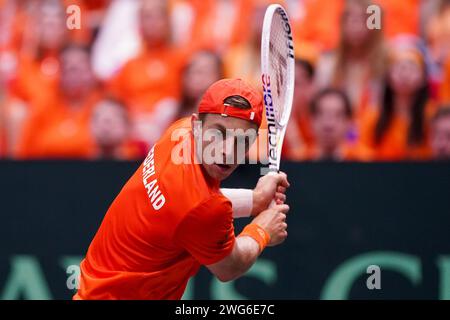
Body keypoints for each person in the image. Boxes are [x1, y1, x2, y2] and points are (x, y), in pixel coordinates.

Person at [74, 78, 291, 300]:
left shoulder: (177, 133)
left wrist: (255, 200)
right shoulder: (203, 207)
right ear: (197, 126)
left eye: (242, 140)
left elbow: (192, 206)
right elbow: (230, 267)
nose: (227, 151)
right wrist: (262, 229)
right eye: (218, 134)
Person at [17, 44, 101, 159]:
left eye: (79, 68)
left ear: (91, 72)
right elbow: (25, 152)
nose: (74, 75)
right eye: (67, 68)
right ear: (59, 74)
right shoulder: (43, 105)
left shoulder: (103, 106)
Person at [315, 0, 386, 124]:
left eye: (364, 20)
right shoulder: (328, 64)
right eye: (351, 19)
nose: (356, 26)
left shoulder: (387, 66)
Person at [360, 45, 433, 160]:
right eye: (399, 68)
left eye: (411, 68)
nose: (405, 74)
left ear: (424, 79)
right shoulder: (373, 116)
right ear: (388, 76)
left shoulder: (432, 115)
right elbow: (362, 150)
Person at [304, 88, 372, 161]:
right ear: (311, 120)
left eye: (338, 115)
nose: (328, 124)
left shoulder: (365, 160)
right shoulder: (298, 159)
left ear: (349, 122)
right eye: (321, 114)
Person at [174, 50, 223, 120]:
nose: (194, 77)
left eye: (201, 72)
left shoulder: (225, 116)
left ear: (219, 75)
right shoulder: (169, 110)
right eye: (190, 71)